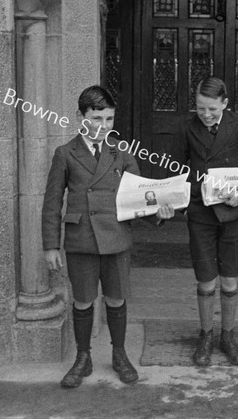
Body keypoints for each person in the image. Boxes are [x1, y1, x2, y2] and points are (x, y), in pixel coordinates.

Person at [41, 85, 174, 387]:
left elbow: (140, 196)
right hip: (81, 238)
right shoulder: (65, 153)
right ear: (80, 116)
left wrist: (159, 215)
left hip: (115, 237)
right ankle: (83, 357)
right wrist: (50, 245)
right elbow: (51, 202)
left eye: (109, 120)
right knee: (83, 301)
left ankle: (119, 354)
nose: (103, 127)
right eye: (97, 118)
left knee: (116, 299)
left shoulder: (122, 154)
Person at [171, 76, 238, 366]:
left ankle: (228, 336)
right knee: (205, 278)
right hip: (200, 213)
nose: (206, 114)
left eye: (212, 109)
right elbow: (175, 168)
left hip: (233, 213)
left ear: (225, 104)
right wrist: (181, 202)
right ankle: (206, 336)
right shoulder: (186, 127)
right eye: (200, 107)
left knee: (229, 278)